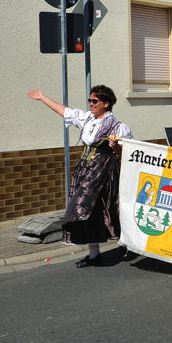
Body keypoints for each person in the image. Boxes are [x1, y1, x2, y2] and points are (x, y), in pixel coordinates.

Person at [28, 85, 132, 267]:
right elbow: (65, 111)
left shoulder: (118, 127)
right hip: (85, 170)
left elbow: (126, 153)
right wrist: (43, 98)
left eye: (94, 101)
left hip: (104, 170)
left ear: (106, 104)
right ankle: (94, 254)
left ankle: (128, 242)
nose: (90, 104)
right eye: (90, 100)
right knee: (89, 213)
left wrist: (116, 146)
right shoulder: (87, 119)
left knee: (101, 208)